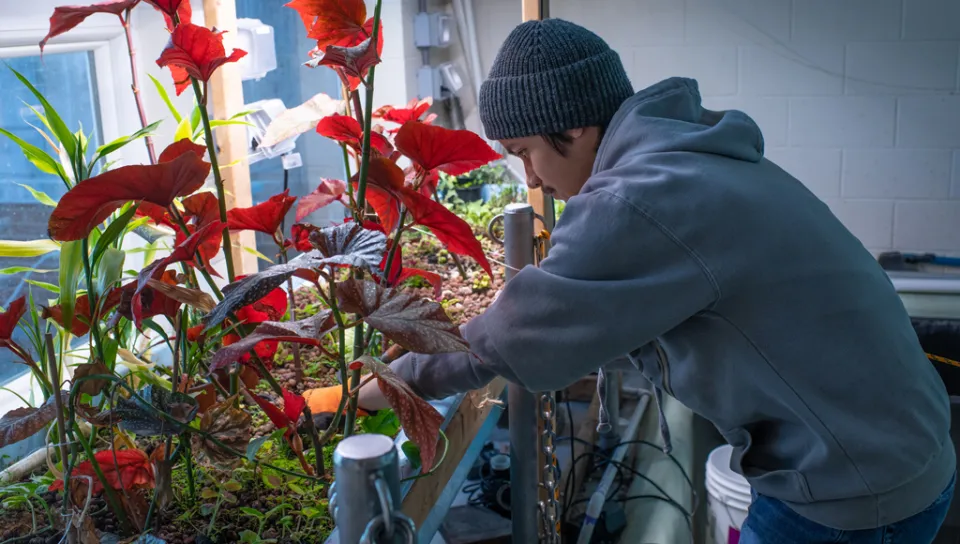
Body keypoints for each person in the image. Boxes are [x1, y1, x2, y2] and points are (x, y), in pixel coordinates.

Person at [301, 18, 956, 543]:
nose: (530, 178)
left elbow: (509, 340)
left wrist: (382, 387)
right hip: (897, 451)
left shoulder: (644, 197)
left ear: (577, 125)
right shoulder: (687, 158)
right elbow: (614, 314)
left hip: (851, 489)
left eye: (525, 151)